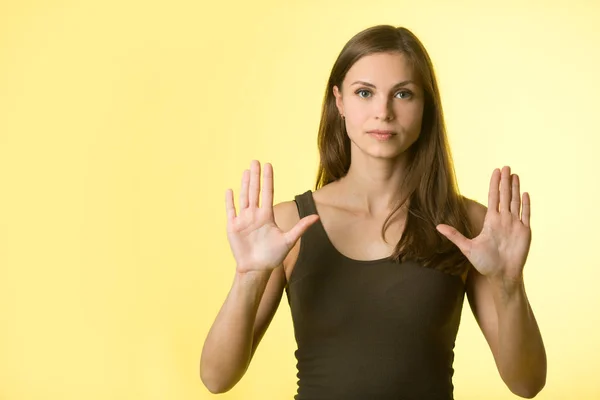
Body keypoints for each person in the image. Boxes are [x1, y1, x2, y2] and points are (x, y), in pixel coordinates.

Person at [200, 25, 547, 399]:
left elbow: (526, 383)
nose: (383, 112)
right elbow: (216, 378)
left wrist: (510, 284)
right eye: (364, 93)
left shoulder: (467, 226)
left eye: (403, 94)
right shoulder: (288, 225)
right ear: (339, 102)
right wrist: (248, 277)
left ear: (425, 105)